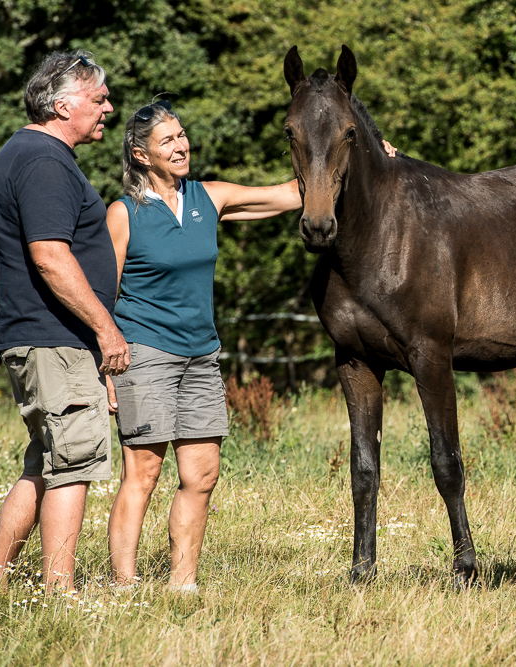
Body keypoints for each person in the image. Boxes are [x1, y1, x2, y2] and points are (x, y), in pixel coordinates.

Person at [105, 99, 396, 592]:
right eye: (167, 140)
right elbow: (104, 294)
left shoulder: (207, 197)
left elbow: (291, 193)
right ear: (140, 155)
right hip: (145, 352)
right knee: (144, 472)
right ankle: (124, 586)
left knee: (202, 474)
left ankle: (182, 583)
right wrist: (107, 367)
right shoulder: (124, 213)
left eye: (181, 135)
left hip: (201, 355)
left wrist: (368, 154)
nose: (181, 146)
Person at [0, 50, 129, 593]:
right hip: (57, 343)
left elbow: (5, 256)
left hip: (35, 336)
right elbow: (48, 256)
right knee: (74, 465)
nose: (108, 108)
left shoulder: (20, 152)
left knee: (44, 466)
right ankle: (61, 594)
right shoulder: (45, 161)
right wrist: (106, 329)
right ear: (63, 106)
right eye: (99, 98)